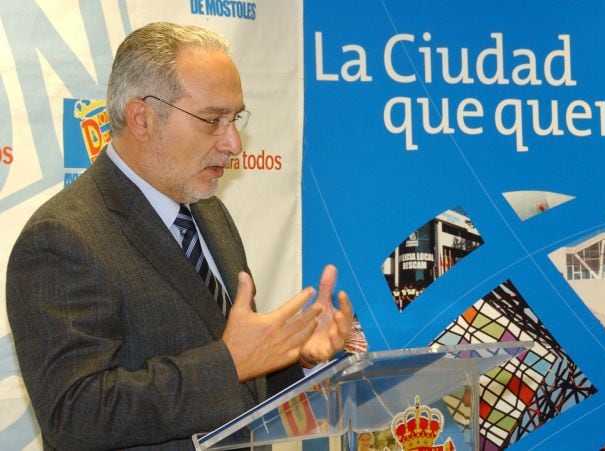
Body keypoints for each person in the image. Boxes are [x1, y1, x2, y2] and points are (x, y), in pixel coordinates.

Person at [5, 22, 353, 450]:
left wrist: (294, 358)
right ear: (142, 118)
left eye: (235, 118)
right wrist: (229, 363)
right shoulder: (62, 238)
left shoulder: (209, 212)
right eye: (212, 120)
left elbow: (237, 376)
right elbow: (75, 414)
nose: (234, 143)